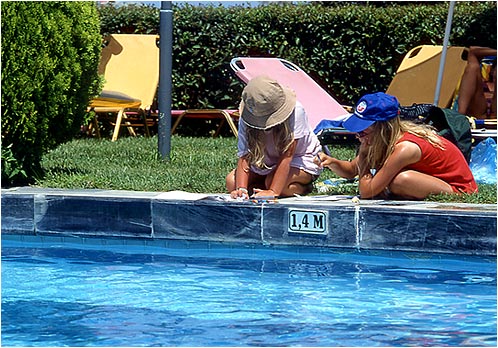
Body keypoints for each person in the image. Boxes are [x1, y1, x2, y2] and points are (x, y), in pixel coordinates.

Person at [316, 92, 478, 200]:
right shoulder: (382, 139)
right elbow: (352, 169)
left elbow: (367, 191)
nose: (358, 136)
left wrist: (364, 155)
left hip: (460, 190)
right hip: (435, 181)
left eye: (363, 132)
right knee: (392, 182)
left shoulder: (405, 148)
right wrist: (331, 162)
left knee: (400, 180)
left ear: (383, 128)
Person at [226, 75, 322, 199]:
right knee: (231, 182)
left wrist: (273, 191)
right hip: (266, 162)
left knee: (273, 183)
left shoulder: (297, 111)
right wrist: (241, 189)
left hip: (300, 158)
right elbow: (245, 155)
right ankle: (265, 186)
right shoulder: (247, 115)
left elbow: (288, 155)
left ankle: (305, 187)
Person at [457, 46, 496, 119]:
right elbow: (472, 51)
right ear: (492, 70)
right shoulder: (479, 82)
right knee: (472, 67)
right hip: (478, 113)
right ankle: (460, 117)